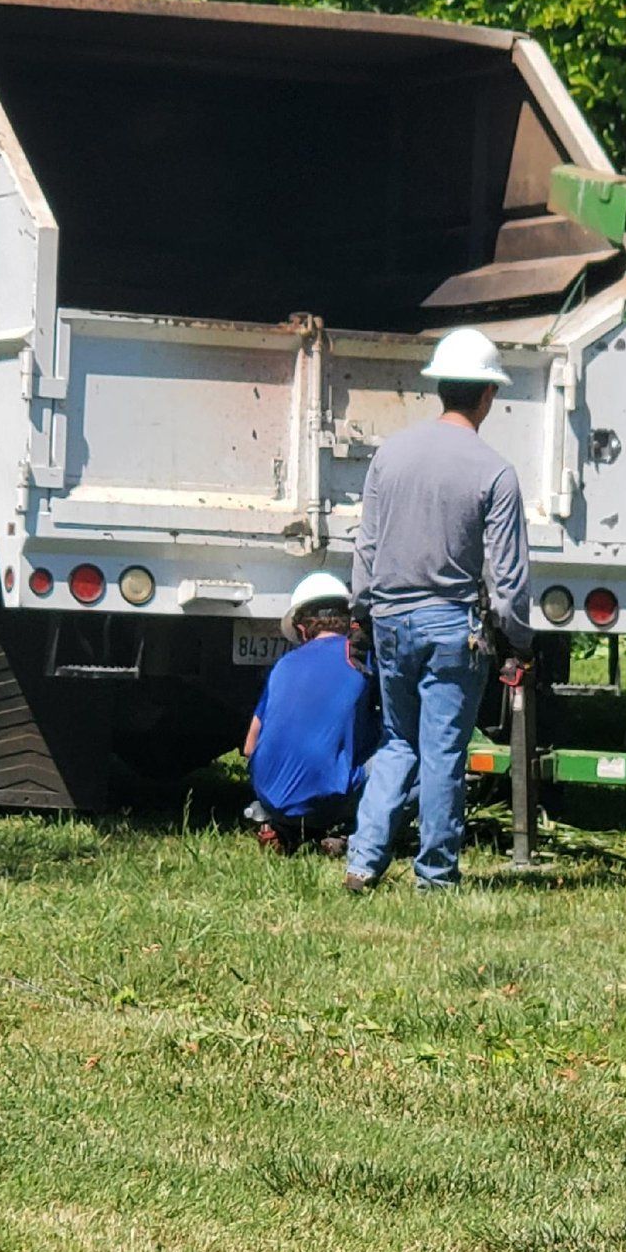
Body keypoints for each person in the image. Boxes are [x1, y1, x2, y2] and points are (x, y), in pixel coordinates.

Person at [344, 327, 531, 893]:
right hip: (452, 628)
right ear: (487, 396)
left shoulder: (390, 456)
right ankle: (436, 875)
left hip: (391, 623)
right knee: (444, 751)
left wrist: (359, 619)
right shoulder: (495, 471)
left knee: (399, 741)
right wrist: (517, 643)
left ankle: (363, 860)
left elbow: (367, 547)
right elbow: (507, 576)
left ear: (441, 388)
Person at [244, 572, 377, 853]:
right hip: (329, 801)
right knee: (408, 755)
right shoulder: (361, 658)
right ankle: (355, 835)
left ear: (302, 630)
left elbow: (249, 746)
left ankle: (284, 828)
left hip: (268, 797)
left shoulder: (283, 665)